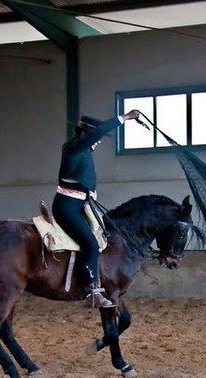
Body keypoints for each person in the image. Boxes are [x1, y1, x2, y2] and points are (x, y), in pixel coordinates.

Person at [52, 110, 142, 308]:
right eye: (97, 137)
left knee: (103, 238)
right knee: (91, 245)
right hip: (67, 207)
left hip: (81, 205)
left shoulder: (83, 151)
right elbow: (97, 134)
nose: (99, 142)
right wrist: (124, 118)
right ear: (85, 134)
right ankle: (92, 290)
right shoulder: (74, 148)